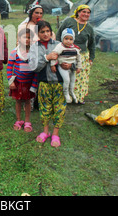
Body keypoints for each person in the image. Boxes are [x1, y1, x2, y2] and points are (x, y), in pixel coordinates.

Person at [28, 20, 71, 148]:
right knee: (44, 108)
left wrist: (69, 65)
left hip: (59, 83)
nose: (46, 34)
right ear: (38, 34)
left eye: (48, 31)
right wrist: (47, 58)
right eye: (42, 32)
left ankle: (55, 133)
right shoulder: (34, 47)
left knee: (59, 108)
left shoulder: (60, 44)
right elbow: (33, 67)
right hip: (44, 84)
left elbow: (70, 59)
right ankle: (45, 131)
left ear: (51, 32)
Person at [58, 4, 95, 104]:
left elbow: (92, 44)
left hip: (82, 56)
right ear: (78, 12)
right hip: (66, 53)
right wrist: (58, 52)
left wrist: (91, 58)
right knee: (66, 76)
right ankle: (65, 97)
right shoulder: (69, 21)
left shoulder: (89, 28)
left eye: (88, 13)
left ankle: (78, 98)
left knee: (80, 78)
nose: (86, 14)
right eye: (83, 11)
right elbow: (58, 35)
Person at [7, 28, 38, 132]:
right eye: (25, 37)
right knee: (18, 101)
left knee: (28, 102)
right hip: (18, 83)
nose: (27, 39)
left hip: (29, 83)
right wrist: (10, 81)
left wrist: (34, 84)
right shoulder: (14, 52)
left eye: (29, 37)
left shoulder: (34, 53)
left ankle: (27, 121)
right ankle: (19, 120)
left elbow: (36, 70)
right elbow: (9, 67)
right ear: (19, 38)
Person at [50, 28, 82, 103]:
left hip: (72, 67)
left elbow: (79, 58)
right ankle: (66, 93)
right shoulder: (60, 47)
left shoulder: (75, 48)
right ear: (62, 38)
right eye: (66, 38)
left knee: (72, 81)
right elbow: (54, 55)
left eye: (71, 39)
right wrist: (53, 65)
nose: (68, 41)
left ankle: (71, 91)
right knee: (66, 80)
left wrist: (79, 67)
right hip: (63, 67)